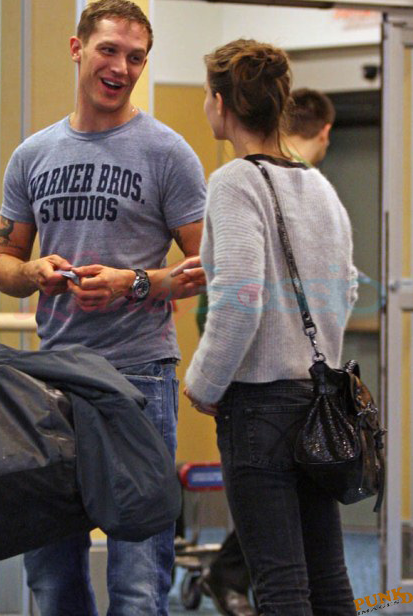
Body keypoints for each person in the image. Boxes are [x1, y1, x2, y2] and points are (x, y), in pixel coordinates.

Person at [0, 0, 205, 616]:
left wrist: (132, 284)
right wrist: (32, 272)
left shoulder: (168, 153)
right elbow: (5, 264)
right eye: (109, 50)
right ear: (76, 48)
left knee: (138, 583)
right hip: (54, 381)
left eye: (135, 57)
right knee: (53, 579)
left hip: (139, 379)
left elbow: (206, 268)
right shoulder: (32, 155)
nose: (121, 67)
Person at [180, 38, 358, 615]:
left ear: (221, 103)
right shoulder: (320, 187)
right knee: (328, 578)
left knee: (280, 585)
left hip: (258, 408)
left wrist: (204, 382)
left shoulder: (234, 181)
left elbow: (238, 299)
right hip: (318, 403)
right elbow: (347, 288)